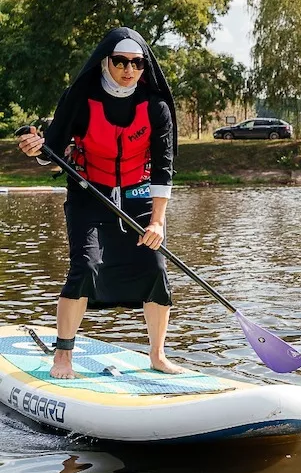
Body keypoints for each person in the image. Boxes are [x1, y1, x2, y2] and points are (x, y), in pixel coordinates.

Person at [16, 27, 184, 378]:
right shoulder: (80, 97)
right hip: (89, 193)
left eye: (136, 63)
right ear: (106, 61)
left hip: (138, 195)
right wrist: (37, 150)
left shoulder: (156, 108)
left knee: (155, 269)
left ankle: (157, 355)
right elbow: (52, 151)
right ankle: (62, 357)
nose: (128, 69)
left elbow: (164, 169)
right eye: (120, 61)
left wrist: (157, 221)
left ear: (144, 66)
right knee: (86, 267)